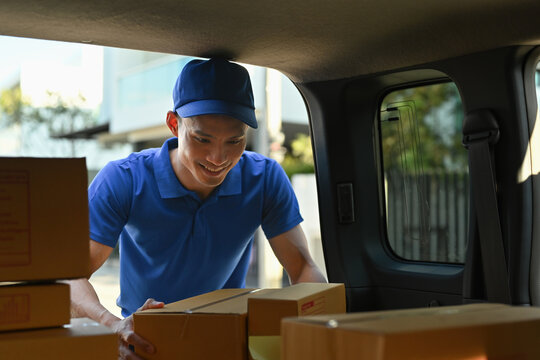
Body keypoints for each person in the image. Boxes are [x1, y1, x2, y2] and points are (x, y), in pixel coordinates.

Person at [68, 58, 326, 360]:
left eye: (235, 140)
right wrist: (112, 327)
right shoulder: (124, 179)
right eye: (202, 139)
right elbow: (70, 276)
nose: (219, 157)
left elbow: (303, 267)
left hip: (228, 341)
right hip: (147, 345)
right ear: (174, 124)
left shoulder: (265, 178)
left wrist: (319, 331)